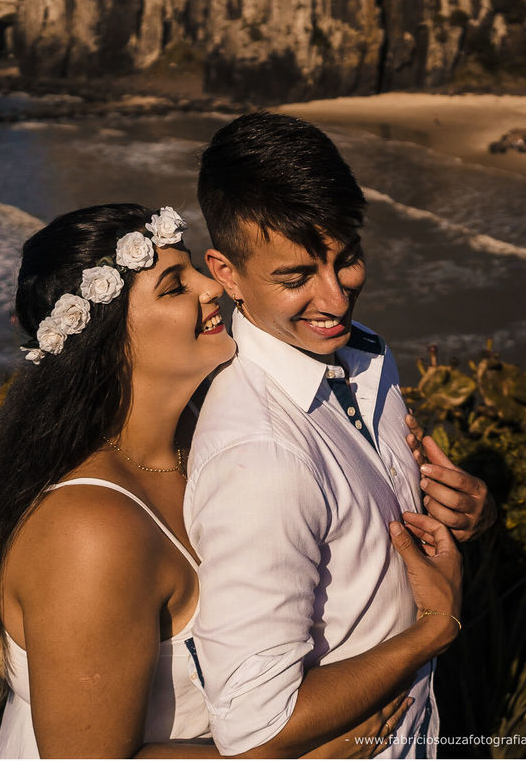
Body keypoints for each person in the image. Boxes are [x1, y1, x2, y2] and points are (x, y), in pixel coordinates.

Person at [0, 203, 465, 758]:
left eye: (196, 268)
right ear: (106, 342)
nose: (212, 287)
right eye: (175, 286)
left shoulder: (208, 438)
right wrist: (428, 634)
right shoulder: (90, 532)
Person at [187, 111, 496, 758]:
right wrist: (436, 629)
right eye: (297, 277)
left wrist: (467, 513)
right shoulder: (261, 458)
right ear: (228, 274)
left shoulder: (367, 353)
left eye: (347, 258)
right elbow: (253, 729)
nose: (336, 297)